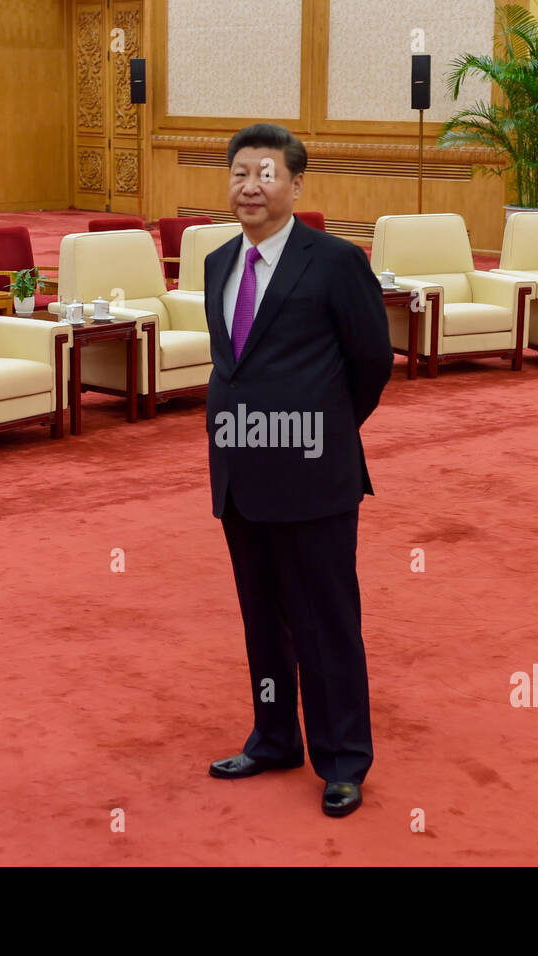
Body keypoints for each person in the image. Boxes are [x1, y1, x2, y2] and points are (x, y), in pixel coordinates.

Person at [204, 123, 392, 817]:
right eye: (239, 173)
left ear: (295, 183)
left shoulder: (335, 261)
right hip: (238, 475)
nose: (250, 186)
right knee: (263, 620)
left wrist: (324, 433)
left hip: (314, 476)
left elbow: (372, 362)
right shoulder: (218, 261)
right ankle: (274, 734)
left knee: (326, 622)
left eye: (265, 173)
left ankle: (343, 759)